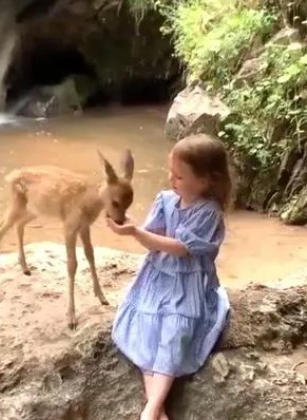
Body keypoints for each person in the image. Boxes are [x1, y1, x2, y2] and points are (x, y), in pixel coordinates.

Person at [105, 133, 232, 420]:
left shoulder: (209, 213)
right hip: (158, 277)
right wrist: (131, 229)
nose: (172, 181)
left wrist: (137, 232)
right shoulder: (165, 200)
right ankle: (158, 409)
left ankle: (151, 408)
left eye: (180, 177)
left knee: (175, 330)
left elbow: (182, 249)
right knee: (146, 324)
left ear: (206, 180)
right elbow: (155, 239)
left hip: (187, 285)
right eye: (171, 174)